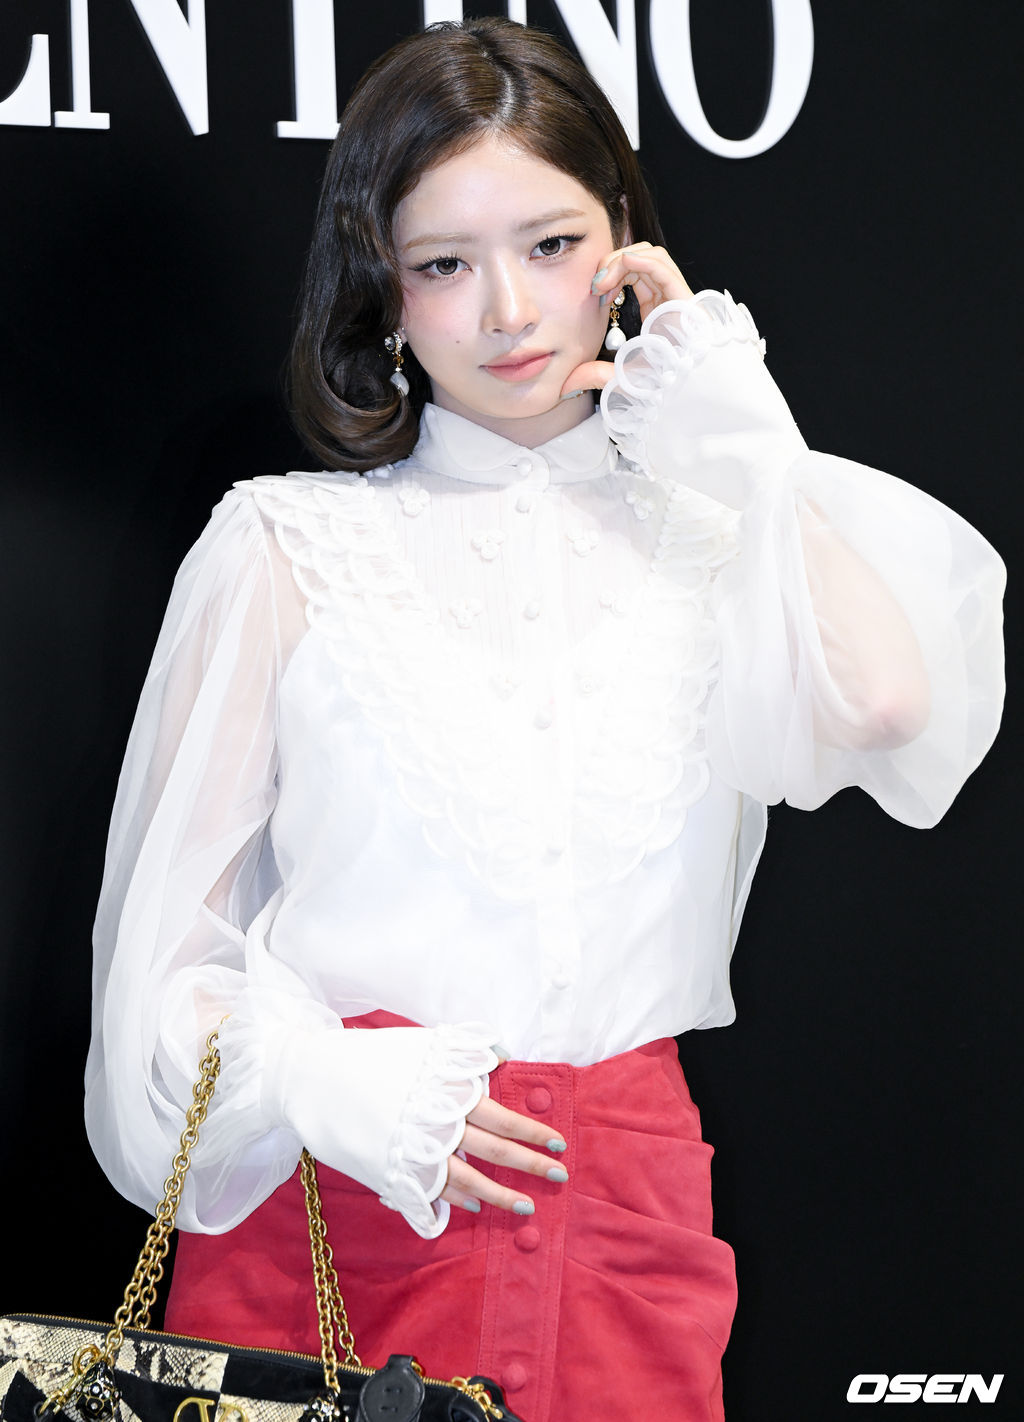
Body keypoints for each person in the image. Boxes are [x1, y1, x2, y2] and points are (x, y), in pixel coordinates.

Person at [84, 17, 1005, 1422]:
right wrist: (329, 1076)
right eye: (445, 264)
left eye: (553, 244)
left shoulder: (718, 533)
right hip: (341, 1206)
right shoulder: (281, 546)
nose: (509, 310)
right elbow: (160, 976)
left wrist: (736, 429)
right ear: (383, 290)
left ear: (622, 244)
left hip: (618, 1206)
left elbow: (885, 703)